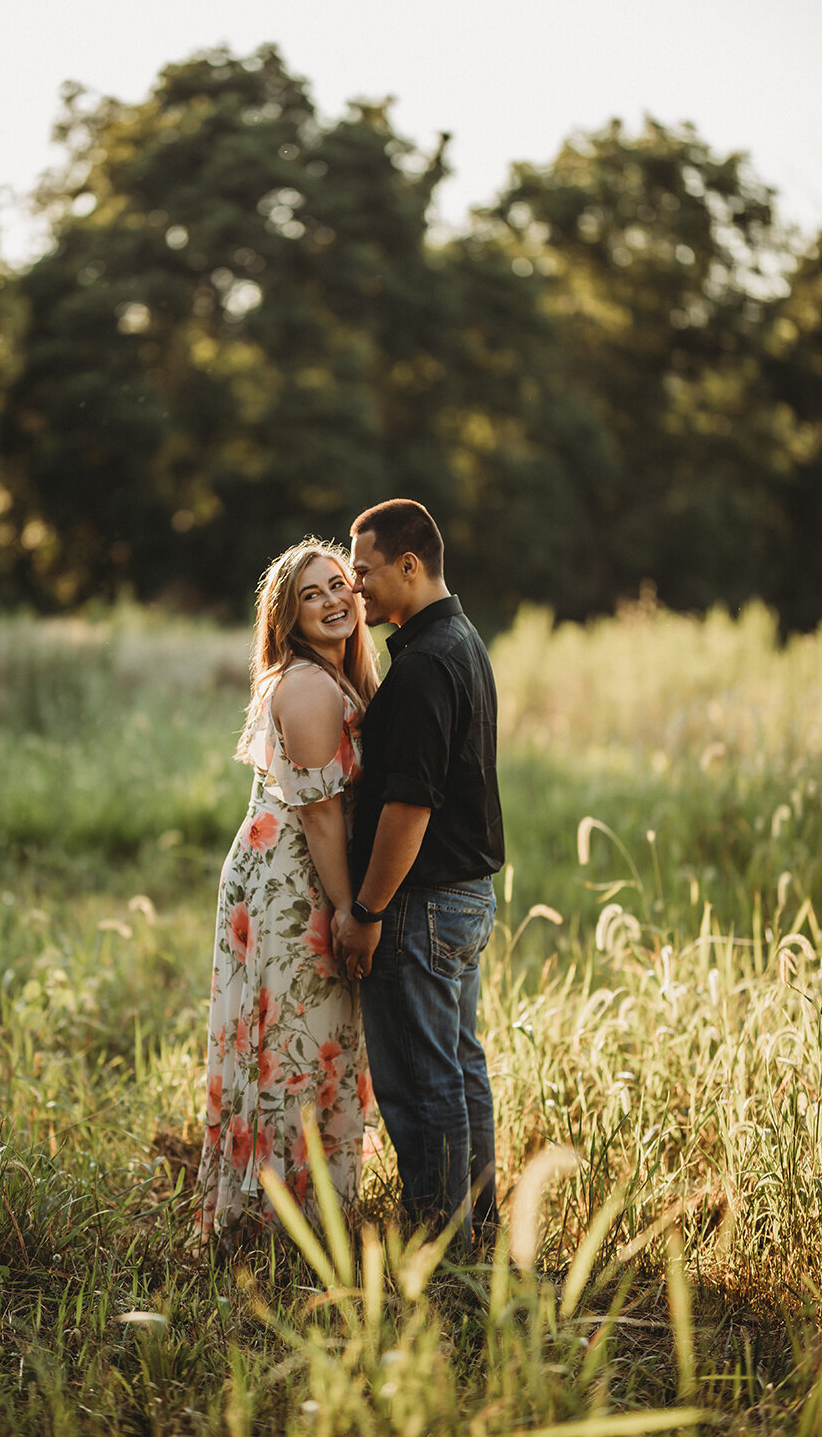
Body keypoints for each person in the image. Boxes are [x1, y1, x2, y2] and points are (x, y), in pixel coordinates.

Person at [195, 540, 380, 1244]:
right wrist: (347, 911)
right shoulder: (306, 684)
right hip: (292, 883)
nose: (335, 601)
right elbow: (322, 812)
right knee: (292, 1040)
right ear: (288, 617)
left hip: (306, 871)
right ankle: (278, 1223)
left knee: (311, 1038)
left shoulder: (340, 677)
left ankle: (307, 1212)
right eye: (313, 594)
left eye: (341, 585)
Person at [332, 499, 505, 1249]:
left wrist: (366, 910)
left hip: (423, 904)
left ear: (411, 565)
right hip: (462, 899)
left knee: (421, 1080)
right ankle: (478, 1228)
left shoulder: (425, 666)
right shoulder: (459, 642)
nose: (353, 588)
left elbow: (409, 808)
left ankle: (442, 1246)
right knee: (459, 1067)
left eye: (364, 573)